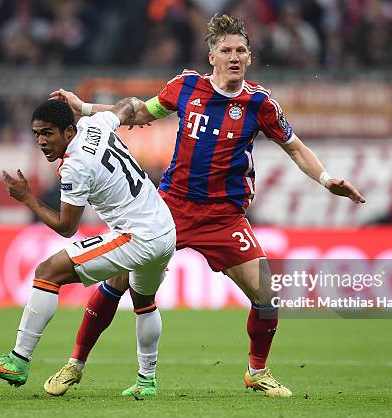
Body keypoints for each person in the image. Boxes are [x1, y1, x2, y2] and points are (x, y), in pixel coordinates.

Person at [47, 14, 365, 398]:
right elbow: (139, 113)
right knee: (117, 281)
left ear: (249, 57)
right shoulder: (186, 88)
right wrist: (83, 108)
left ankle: (257, 372)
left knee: (266, 295)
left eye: (241, 50)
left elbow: (295, 148)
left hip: (224, 217)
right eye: (226, 50)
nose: (234, 57)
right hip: (169, 208)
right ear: (212, 56)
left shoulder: (260, 103)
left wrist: (326, 179)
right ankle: (74, 365)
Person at [0, 98, 176, 389]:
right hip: (164, 228)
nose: (41, 141)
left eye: (48, 133)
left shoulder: (76, 166)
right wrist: (88, 107)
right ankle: (147, 380)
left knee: (47, 272)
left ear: (68, 132)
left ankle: (17, 360)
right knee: (143, 301)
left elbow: (66, 227)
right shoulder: (95, 124)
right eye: (37, 134)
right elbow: (127, 107)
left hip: (138, 236)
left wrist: (27, 197)